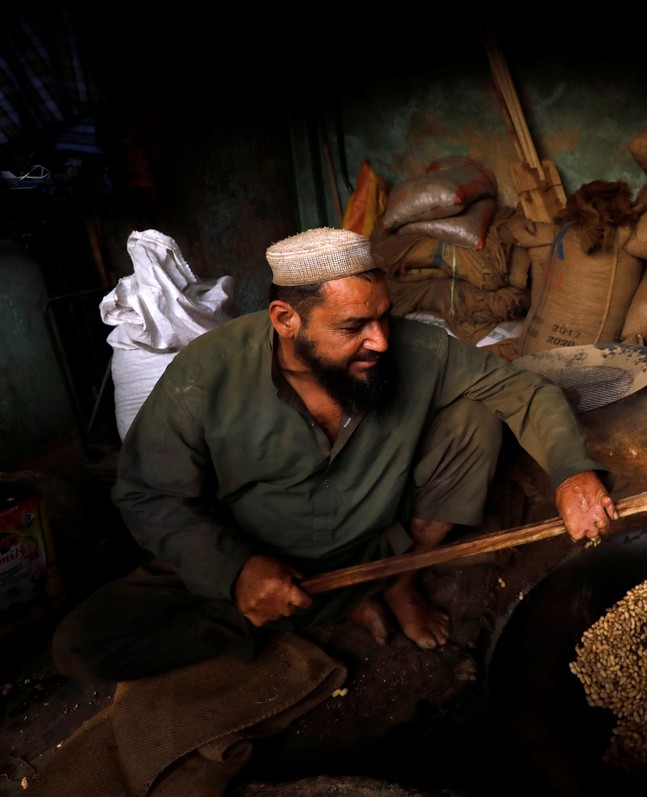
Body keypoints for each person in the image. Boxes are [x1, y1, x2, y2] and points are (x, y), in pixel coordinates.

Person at [52, 227, 617, 683]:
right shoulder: (208, 371)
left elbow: (527, 391)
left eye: (383, 317)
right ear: (285, 320)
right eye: (354, 327)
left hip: (376, 541)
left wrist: (572, 474)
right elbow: (148, 493)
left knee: (476, 413)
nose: (381, 341)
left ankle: (389, 579)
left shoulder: (415, 349)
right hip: (259, 550)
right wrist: (234, 570)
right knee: (83, 645)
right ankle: (291, 606)